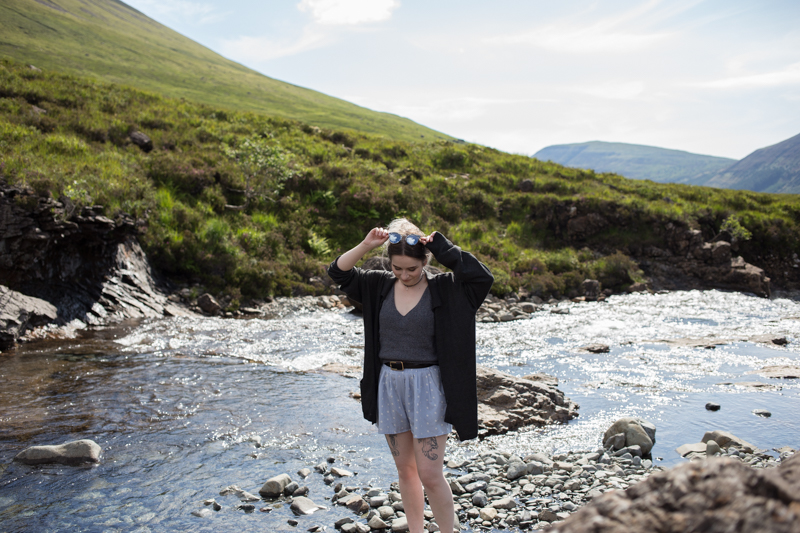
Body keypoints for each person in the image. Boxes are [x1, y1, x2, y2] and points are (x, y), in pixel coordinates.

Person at [327, 218, 494, 533]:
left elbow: (482, 278)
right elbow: (338, 272)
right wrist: (366, 246)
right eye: (397, 268)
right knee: (405, 471)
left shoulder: (448, 289)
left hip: (428, 385)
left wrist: (443, 248)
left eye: (411, 269)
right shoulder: (378, 285)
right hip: (389, 384)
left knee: (430, 474)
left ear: (425, 262)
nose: (404, 275)